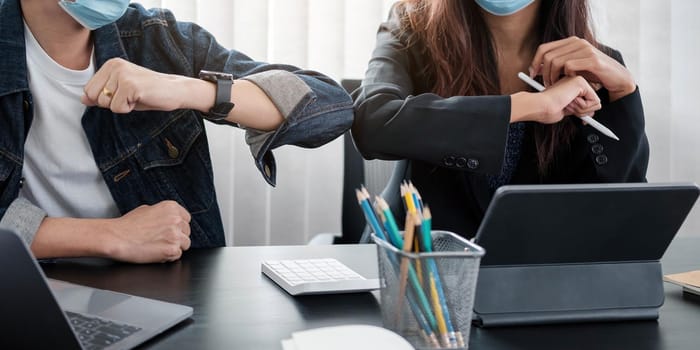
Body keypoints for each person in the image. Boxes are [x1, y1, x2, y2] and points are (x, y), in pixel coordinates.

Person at [0, 0, 353, 263]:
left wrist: (190, 90)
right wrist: (111, 235)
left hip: (169, 298)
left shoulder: (161, 40)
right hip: (30, 291)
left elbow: (328, 105)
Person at [352, 0, 649, 238]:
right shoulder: (411, 25)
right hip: (417, 265)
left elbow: (622, 213)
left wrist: (623, 92)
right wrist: (523, 106)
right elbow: (372, 121)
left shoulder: (594, 64)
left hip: (535, 279)